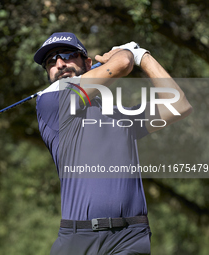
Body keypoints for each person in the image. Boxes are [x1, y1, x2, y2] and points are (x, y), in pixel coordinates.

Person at [33, 32, 192, 255]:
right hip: (78, 239)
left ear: (88, 63)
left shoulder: (120, 116)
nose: (59, 64)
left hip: (130, 238)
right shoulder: (50, 102)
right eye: (51, 61)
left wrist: (143, 56)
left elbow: (180, 105)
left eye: (68, 55)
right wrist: (128, 53)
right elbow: (123, 64)